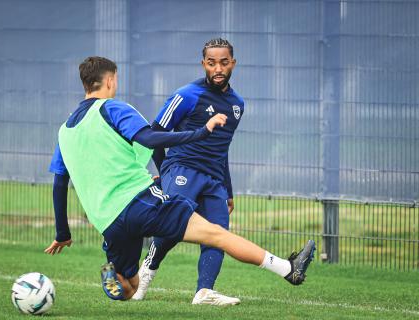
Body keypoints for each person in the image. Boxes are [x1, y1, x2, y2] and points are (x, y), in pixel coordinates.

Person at [44, 56, 315, 302]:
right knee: (217, 234)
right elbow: (150, 138)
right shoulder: (113, 108)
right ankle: (287, 269)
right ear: (111, 80)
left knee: (128, 288)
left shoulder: (65, 130)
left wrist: (63, 233)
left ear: (85, 84)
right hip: (140, 202)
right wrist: (201, 132)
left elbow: (59, 183)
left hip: (109, 222)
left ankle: (110, 272)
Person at [132, 38, 243, 305]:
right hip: (182, 169)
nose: (218, 68)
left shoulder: (238, 104)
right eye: (212, 62)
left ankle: (204, 292)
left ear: (233, 64)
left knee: (218, 234)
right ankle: (145, 273)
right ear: (203, 63)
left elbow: (222, 149)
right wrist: (166, 170)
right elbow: (154, 136)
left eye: (224, 62)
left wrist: (228, 189)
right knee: (172, 227)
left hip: (214, 180)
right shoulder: (186, 95)